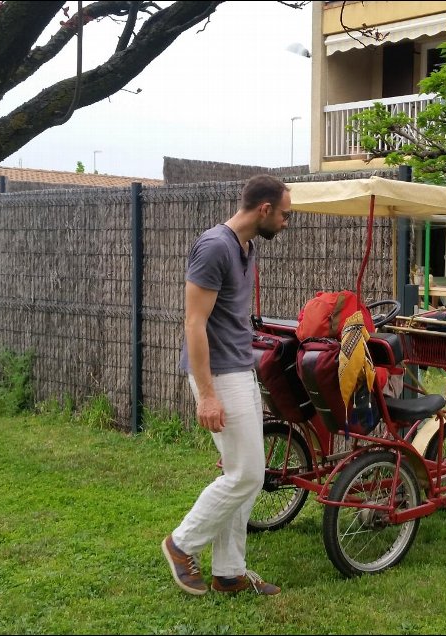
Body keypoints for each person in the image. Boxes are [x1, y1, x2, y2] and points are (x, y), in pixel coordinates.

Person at [162, 174, 292, 596]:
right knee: (247, 474)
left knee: (245, 472)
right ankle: (182, 544)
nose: (288, 223)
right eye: (285, 215)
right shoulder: (215, 246)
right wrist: (208, 395)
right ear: (265, 209)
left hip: (240, 369)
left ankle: (229, 572)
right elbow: (194, 323)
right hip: (218, 374)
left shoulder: (246, 247)